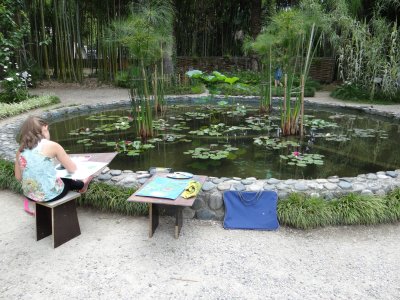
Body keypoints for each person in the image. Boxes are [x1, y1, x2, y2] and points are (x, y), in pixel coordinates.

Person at [14, 116, 92, 202]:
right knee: (69, 180)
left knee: (54, 177)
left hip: (30, 195)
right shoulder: (52, 145)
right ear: (45, 128)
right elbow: (73, 169)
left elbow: (18, 177)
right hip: (51, 195)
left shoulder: (20, 150)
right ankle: (83, 184)